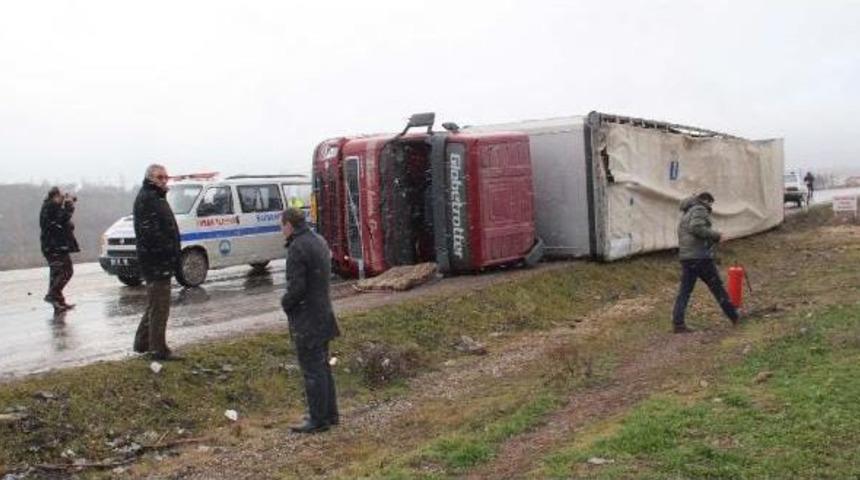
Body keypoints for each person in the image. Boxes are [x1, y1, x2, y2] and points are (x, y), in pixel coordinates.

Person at [281, 207, 340, 433]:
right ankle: (330, 414)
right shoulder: (318, 240)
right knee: (323, 367)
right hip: (323, 313)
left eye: (282, 226)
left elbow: (297, 288)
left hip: (307, 318)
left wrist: (285, 303)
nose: (281, 230)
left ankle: (317, 419)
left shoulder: (297, 248)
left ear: (289, 225)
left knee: (312, 370)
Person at [672, 192, 740, 333]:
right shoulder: (699, 209)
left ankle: (678, 323)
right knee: (717, 287)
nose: (710, 206)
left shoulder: (687, 212)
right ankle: (735, 317)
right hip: (700, 257)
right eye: (710, 203)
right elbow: (696, 228)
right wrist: (717, 235)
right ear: (706, 200)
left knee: (685, 291)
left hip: (687, 257)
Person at [133, 164, 181, 360]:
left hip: (158, 260)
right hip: (156, 261)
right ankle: (158, 349)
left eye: (165, 177)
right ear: (150, 178)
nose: (163, 180)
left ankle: (143, 341)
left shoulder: (155, 197)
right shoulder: (149, 199)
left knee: (155, 304)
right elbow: (151, 233)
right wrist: (166, 251)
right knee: (160, 307)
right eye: (159, 177)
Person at [39, 186, 80, 313]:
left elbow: (64, 223)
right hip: (54, 247)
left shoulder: (53, 207)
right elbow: (59, 221)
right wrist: (68, 207)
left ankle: (58, 302)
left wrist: (68, 209)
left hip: (55, 246)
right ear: (55, 196)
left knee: (57, 274)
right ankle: (52, 295)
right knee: (66, 272)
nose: (63, 199)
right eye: (62, 196)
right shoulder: (50, 207)